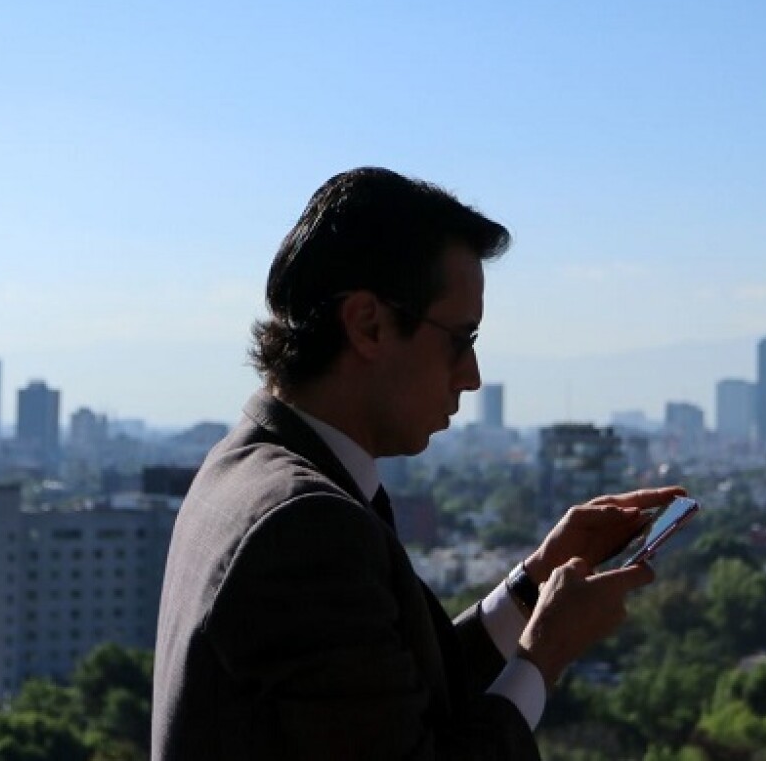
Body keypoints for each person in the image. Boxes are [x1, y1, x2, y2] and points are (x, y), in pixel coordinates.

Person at [152, 167, 684, 760]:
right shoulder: (305, 527)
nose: (473, 376)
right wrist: (544, 658)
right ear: (369, 325)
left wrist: (530, 588)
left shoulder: (248, 474)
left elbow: (380, 698)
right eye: (461, 338)